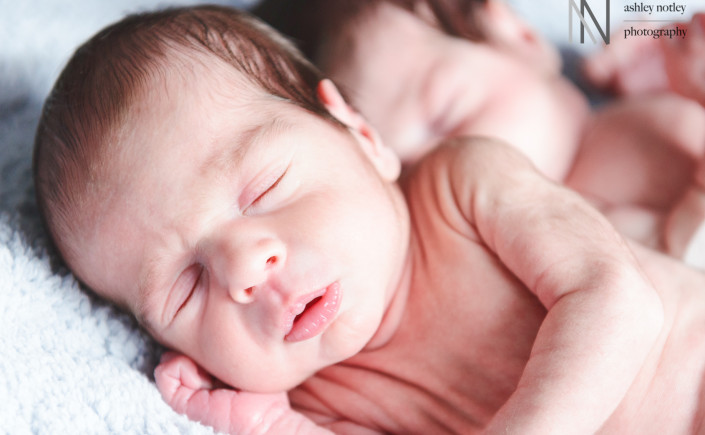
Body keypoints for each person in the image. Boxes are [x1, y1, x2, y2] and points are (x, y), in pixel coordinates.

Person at [32, 5, 705, 434]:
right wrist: (263, 422)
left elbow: (620, 304)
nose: (242, 269)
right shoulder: (320, 399)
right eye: (184, 288)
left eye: (264, 188)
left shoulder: (463, 182)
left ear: (360, 133)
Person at [253, 0, 705, 266]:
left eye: (449, 118)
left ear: (516, 34)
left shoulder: (633, 82)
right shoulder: (568, 234)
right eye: (408, 179)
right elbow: (678, 264)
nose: (444, 170)